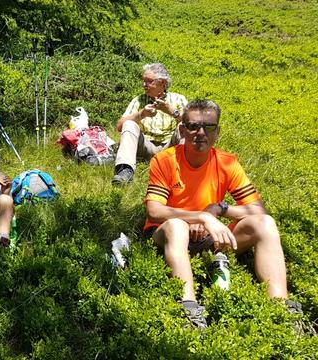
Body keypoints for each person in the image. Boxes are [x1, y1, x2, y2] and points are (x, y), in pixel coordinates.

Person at [144, 99, 301, 329]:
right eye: (193, 126)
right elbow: (154, 210)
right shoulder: (165, 160)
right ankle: (189, 308)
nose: (200, 133)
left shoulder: (227, 162)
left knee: (265, 224)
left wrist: (220, 209)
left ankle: (282, 307)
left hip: (211, 237)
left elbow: (258, 209)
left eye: (208, 127)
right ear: (182, 130)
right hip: (169, 235)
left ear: (218, 131)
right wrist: (202, 217)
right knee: (177, 227)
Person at [112, 63, 188, 185]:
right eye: (143, 81)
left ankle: (184, 172)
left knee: (184, 127)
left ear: (162, 83)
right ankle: (124, 171)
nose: (144, 85)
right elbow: (120, 126)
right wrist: (141, 114)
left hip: (170, 147)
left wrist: (172, 111)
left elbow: (193, 125)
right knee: (129, 124)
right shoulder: (139, 100)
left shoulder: (178, 99)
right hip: (145, 146)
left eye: (149, 81)